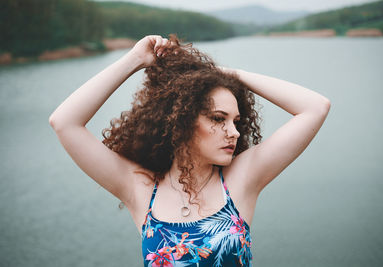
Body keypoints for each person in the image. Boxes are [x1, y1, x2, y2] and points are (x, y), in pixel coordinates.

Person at [49, 34, 330, 266]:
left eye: (236, 122)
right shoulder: (141, 189)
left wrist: (230, 75)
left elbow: (315, 107)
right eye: (218, 119)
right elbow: (64, 122)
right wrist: (135, 59)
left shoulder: (240, 180)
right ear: (182, 121)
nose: (233, 132)